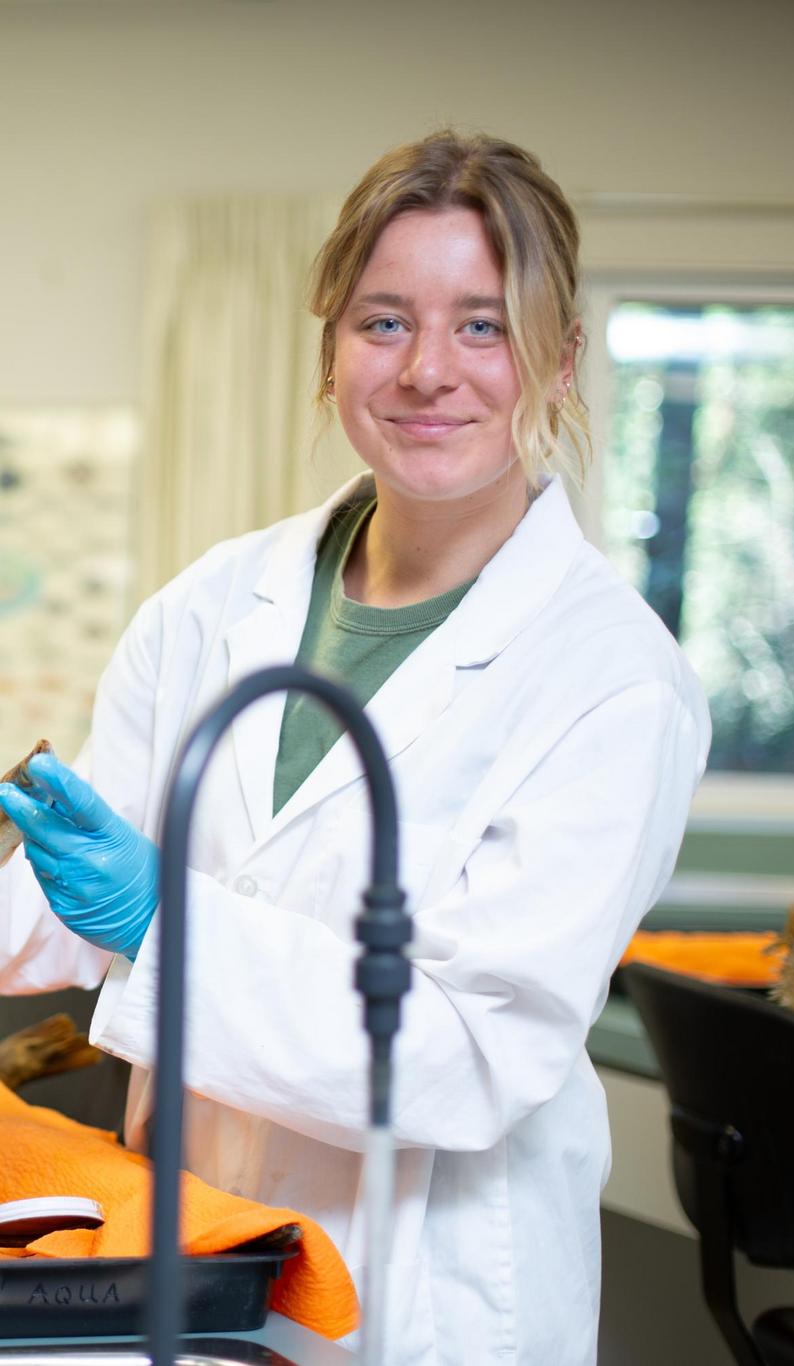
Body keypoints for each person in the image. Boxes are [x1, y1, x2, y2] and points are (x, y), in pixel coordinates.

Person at [0, 130, 710, 1365]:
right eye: (383, 322)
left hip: (427, 1285)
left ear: (558, 359)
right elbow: (76, 891)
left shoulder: (612, 679)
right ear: (330, 349)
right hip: (204, 1236)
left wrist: (153, 923)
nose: (429, 370)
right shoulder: (218, 601)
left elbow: (467, 1055)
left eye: (481, 326)